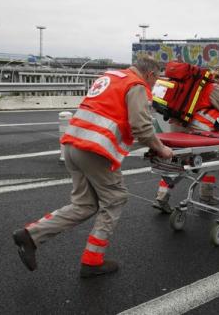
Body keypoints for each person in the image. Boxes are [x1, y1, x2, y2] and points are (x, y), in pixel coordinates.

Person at [12, 56, 173, 278]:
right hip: (96, 150)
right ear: (151, 75)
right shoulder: (136, 86)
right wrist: (161, 148)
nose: (153, 86)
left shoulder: (110, 77)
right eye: (155, 82)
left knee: (84, 205)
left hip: (72, 144)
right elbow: (142, 127)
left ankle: (30, 236)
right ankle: (92, 261)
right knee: (115, 199)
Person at [153, 65, 219, 213]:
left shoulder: (197, 85)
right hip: (197, 131)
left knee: (174, 163)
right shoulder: (216, 89)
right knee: (210, 161)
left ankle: (162, 196)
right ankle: (206, 195)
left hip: (179, 126)